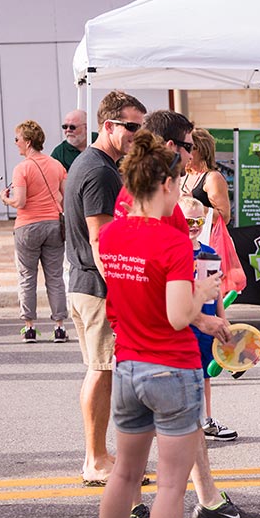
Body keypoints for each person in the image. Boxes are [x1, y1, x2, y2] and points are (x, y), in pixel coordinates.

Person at [120, 109, 260, 518]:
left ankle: (208, 502)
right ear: (167, 147)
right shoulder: (148, 208)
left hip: (143, 346)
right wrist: (204, 315)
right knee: (160, 478)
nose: (189, 153)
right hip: (159, 344)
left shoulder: (149, 205)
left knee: (140, 459)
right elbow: (162, 290)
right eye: (184, 146)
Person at [95, 129, 222, 518]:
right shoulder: (171, 245)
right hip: (172, 368)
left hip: (128, 366)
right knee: (170, 485)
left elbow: (135, 298)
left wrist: (204, 316)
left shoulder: (111, 235)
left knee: (125, 476)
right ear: (166, 184)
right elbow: (175, 316)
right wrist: (202, 292)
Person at [64, 91, 148, 485]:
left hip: (86, 282)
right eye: (131, 126)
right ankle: (95, 460)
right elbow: (101, 240)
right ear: (109, 125)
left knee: (101, 369)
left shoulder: (93, 164)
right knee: (100, 370)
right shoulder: (98, 170)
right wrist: (121, 290)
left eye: (140, 127)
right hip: (96, 285)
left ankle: (99, 455)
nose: (137, 134)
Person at [0, 120, 68, 343]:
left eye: (17, 139)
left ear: (27, 142)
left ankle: (29, 327)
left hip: (27, 226)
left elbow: (20, 201)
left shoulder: (22, 168)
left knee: (28, 276)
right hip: (53, 225)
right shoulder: (57, 165)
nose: (16, 143)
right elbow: (64, 198)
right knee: (55, 277)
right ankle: (59, 327)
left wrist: (4, 198)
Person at [178, 196, 236, 441]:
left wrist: (223, 319)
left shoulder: (209, 253)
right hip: (185, 323)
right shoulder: (174, 253)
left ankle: (206, 420)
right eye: (188, 220)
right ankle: (182, 424)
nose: (194, 225)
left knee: (205, 375)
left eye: (199, 220)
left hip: (208, 323)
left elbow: (217, 291)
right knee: (184, 375)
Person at [181, 127, 231, 224]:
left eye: (192, 149)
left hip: (207, 237)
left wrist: (194, 204)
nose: (187, 153)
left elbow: (224, 218)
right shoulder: (184, 175)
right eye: (185, 148)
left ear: (203, 151)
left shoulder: (212, 178)